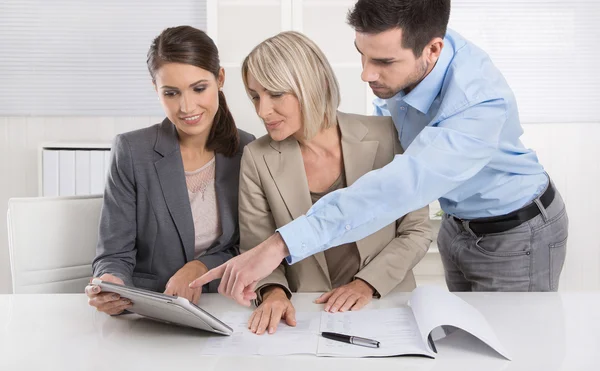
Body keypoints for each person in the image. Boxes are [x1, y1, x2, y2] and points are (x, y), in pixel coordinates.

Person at [190, 0, 569, 304]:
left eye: (383, 62)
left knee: (513, 349)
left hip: (516, 231)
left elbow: (396, 190)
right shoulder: (414, 35)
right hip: (458, 226)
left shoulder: (476, 105)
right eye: (362, 55)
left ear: (432, 50)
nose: (366, 75)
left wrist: (281, 243)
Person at [237, 31, 431, 335]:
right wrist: (273, 293)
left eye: (275, 94)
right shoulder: (256, 157)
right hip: (304, 314)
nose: (262, 111)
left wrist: (367, 284)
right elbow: (257, 247)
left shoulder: (385, 134)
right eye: (255, 96)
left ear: (313, 86)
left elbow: (416, 228)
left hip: (385, 305)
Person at [86, 25, 255, 315]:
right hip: (150, 309)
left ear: (220, 78)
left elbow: (252, 246)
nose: (186, 106)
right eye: (171, 93)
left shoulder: (247, 150)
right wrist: (111, 282)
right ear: (156, 89)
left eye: (199, 88)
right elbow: (114, 254)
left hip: (226, 306)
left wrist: (199, 267)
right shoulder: (132, 150)